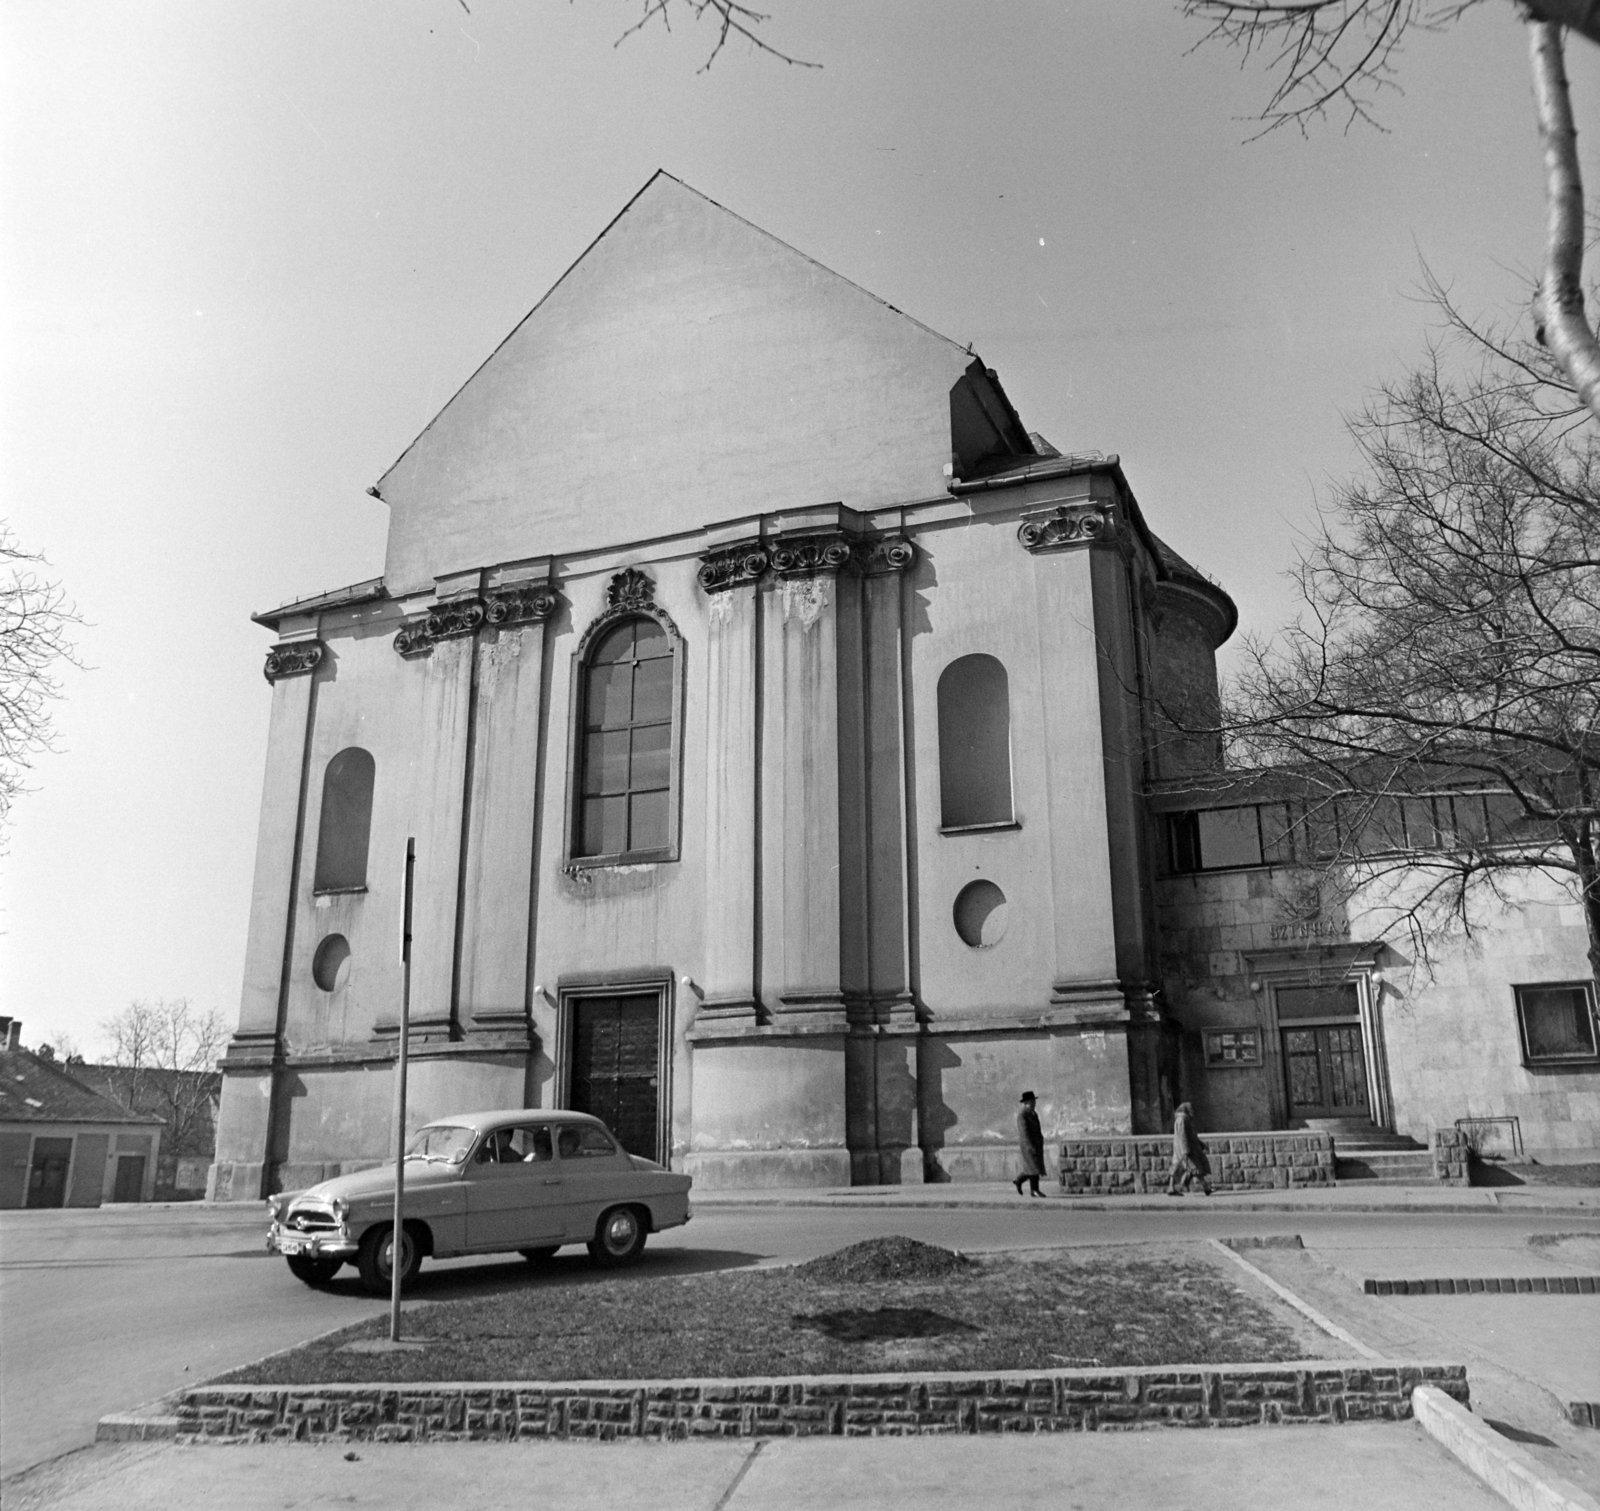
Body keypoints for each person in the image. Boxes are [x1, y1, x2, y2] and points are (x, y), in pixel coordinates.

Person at [1167, 1101, 1213, 1196]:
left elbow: (1192, 1135)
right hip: (1186, 1149)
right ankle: (1206, 1187)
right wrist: (1185, 1150)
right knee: (1195, 1168)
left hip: (1183, 1149)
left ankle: (1173, 1187)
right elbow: (1183, 1135)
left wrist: (1201, 1144)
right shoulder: (1182, 1120)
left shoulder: (1184, 1119)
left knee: (1180, 1168)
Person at [1012, 1091, 1047, 1197]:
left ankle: (1019, 1180)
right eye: (1031, 1102)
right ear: (1026, 1103)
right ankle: (1034, 1190)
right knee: (1034, 1167)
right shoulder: (1022, 1115)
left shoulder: (1033, 1114)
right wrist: (1029, 1146)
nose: (1033, 1104)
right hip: (1029, 1145)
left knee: (1033, 1167)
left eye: (1033, 1101)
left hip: (1036, 1144)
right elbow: (1024, 1133)